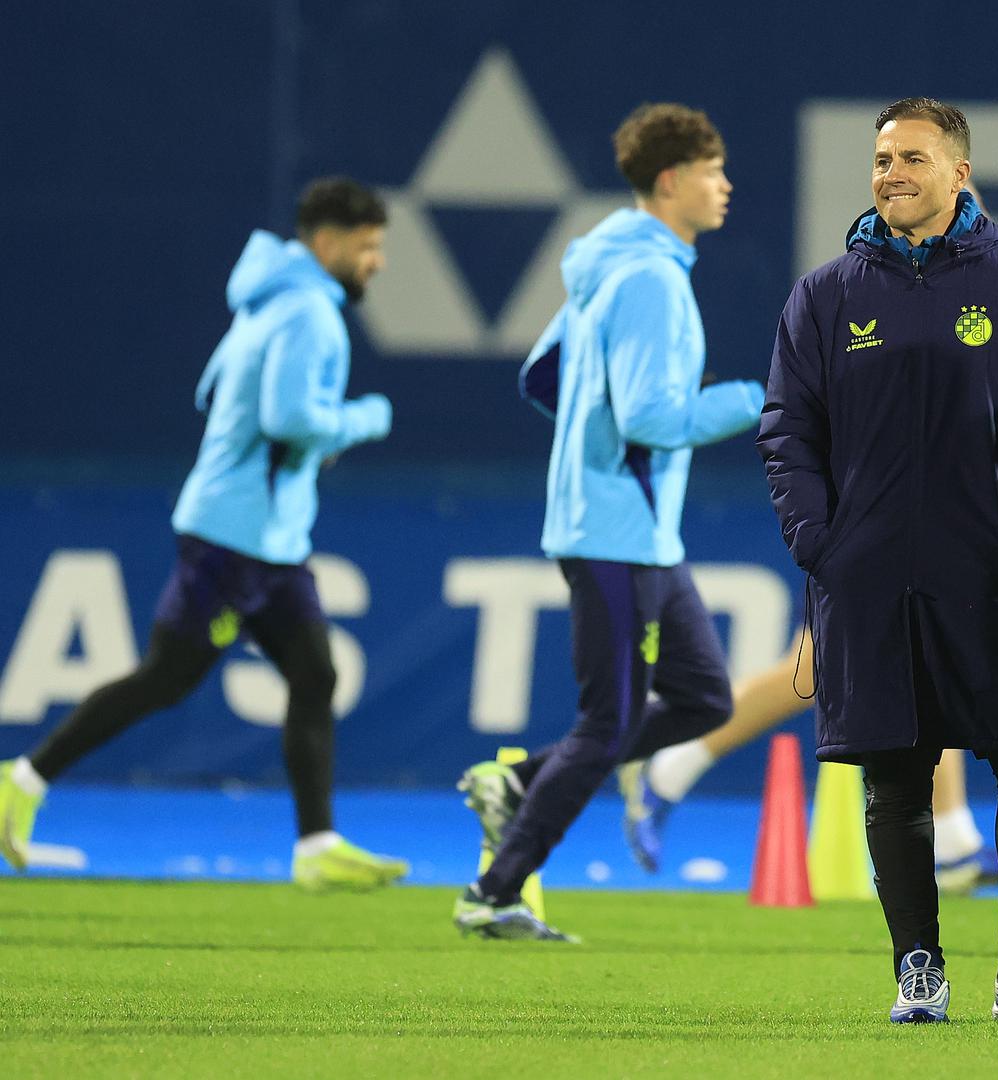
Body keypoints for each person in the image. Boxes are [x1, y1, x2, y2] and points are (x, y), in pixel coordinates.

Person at [759, 97, 998, 1025]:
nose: (891, 172)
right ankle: (919, 969)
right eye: (880, 158)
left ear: (960, 174)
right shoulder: (825, 295)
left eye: (912, 156)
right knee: (895, 777)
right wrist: (822, 547)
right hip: (867, 579)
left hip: (990, 572)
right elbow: (789, 434)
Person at [0, 178, 404, 891]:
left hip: (268, 540)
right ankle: (21, 780)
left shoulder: (266, 300)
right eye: (368, 247)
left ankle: (316, 847)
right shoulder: (309, 311)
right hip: (235, 539)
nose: (377, 263)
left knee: (315, 675)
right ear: (329, 243)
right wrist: (365, 417)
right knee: (168, 678)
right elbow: (291, 420)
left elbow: (213, 391)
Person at [450, 103, 764, 941]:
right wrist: (755, 402)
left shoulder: (608, 265)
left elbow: (541, 376)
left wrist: (591, 456)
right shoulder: (652, 279)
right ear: (671, 182)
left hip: (636, 532)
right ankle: (493, 892)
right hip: (616, 536)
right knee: (609, 726)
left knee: (702, 698)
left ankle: (519, 784)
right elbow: (653, 420)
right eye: (712, 170)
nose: (725, 185)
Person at [615, 627, 998, 894]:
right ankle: (670, 765)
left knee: (925, 652)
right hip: (867, 522)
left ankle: (951, 844)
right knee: (820, 662)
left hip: (907, 526)